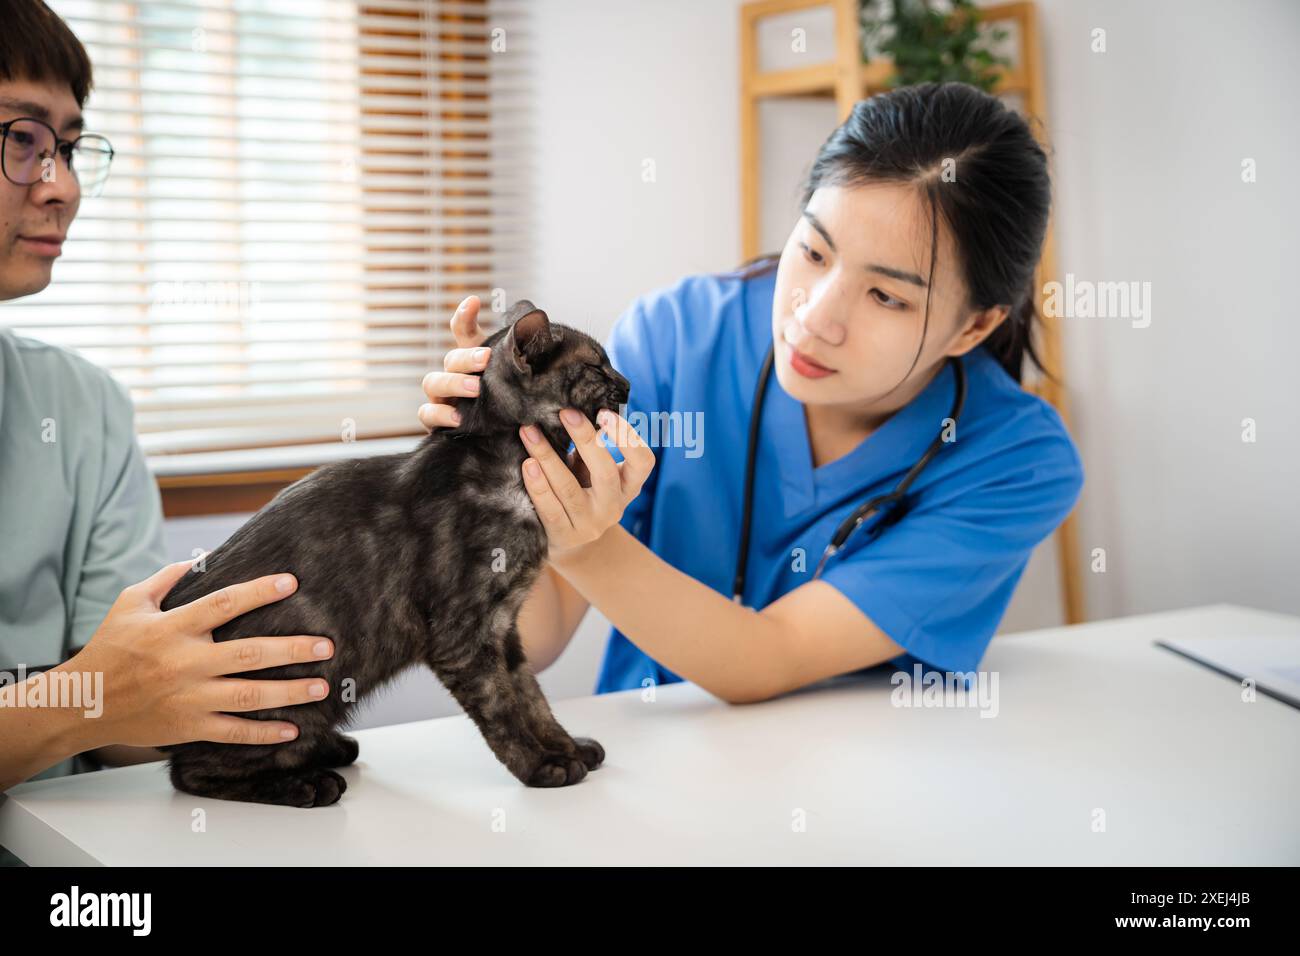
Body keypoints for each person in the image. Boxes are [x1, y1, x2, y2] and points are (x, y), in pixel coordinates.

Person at [420, 82, 1085, 703]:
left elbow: (774, 653)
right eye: (815, 252)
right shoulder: (678, 337)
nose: (815, 318)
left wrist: (585, 542)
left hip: (871, 777)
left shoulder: (1016, 461)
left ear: (974, 326)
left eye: (886, 295)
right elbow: (532, 637)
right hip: (648, 769)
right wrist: (490, 457)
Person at [0, 0, 336, 804]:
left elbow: (126, 721)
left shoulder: (83, 408)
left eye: (69, 148)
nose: (63, 188)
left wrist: (232, 673)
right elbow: (100, 699)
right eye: (22, 141)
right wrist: (82, 701)